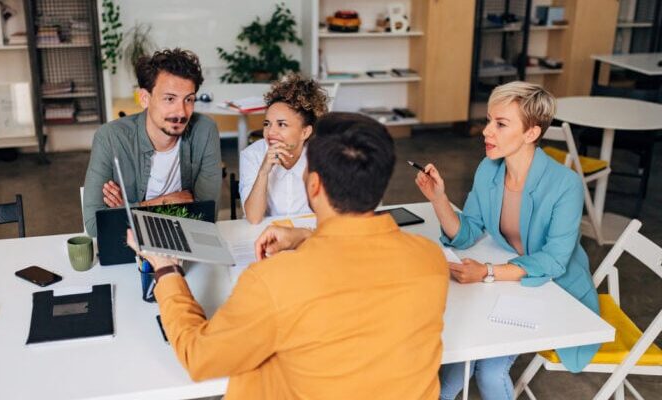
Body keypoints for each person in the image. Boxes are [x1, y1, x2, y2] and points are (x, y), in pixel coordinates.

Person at [127, 112, 449, 399]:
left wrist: (166, 269)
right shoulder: (430, 260)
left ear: (314, 186)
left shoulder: (274, 281)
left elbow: (200, 358)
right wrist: (307, 237)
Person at [414, 81, 599, 400]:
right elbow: (468, 231)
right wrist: (439, 199)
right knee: (458, 354)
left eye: (500, 124)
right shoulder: (490, 169)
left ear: (531, 133)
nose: (487, 131)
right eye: (488, 120)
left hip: (555, 289)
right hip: (508, 279)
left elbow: (554, 261)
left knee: (489, 371)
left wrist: (486, 272)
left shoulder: (565, 185)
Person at [82, 48, 221, 236]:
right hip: (129, 245)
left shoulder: (205, 130)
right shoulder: (110, 137)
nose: (181, 112)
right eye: (169, 99)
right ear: (144, 98)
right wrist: (168, 202)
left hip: (184, 238)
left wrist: (126, 210)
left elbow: (207, 215)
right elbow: (94, 225)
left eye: (189, 100)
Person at [239, 74, 328, 223]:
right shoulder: (251, 155)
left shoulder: (321, 155)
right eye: (267, 124)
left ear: (305, 132)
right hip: (265, 235)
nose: (270, 132)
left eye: (281, 124)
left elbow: (329, 213)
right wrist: (263, 172)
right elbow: (254, 218)